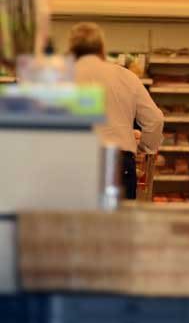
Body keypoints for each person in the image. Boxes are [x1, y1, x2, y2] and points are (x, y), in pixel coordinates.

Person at [69, 22, 164, 200]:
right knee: (120, 218)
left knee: (76, 218)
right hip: (118, 163)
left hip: (73, 165)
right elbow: (155, 120)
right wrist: (144, 147)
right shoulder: (125, 76)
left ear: (71, 51)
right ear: (102, 50)